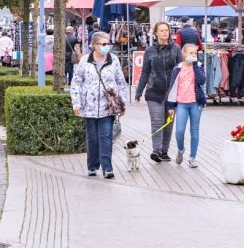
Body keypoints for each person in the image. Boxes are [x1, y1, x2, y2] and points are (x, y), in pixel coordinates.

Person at [71, 30, 128, 179]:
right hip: (88, 106)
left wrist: (123, 102)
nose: (106, 46)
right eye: (103, 44)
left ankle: (107, 168)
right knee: (92, 138)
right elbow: (76, 82)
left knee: (105, 136)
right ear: (94, 45)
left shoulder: (113, 59)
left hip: (107, 106)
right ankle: (92, 166)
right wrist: (76, 103)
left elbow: (121, 82)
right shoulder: (85, 60)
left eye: (108, 43)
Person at [134, 21, 181, 163]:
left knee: (168, 122)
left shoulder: (176, 49)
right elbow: (145, 72)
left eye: (167, 30)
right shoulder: (149, 51)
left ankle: (164, 151)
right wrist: (139, 91)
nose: (165, 32)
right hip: (154, 91)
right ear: (155, 33)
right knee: (157, 121)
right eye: (162, 30)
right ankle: (156, 150)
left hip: (172, 93)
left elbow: (181, 70)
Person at [166, 41, 206, 167]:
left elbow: (202, 80)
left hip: (195, 103)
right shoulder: (177, 68)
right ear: (183, 54)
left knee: (194, 130)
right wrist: (171, 106)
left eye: (195, 53)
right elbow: (172, 87)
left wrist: (194, 65)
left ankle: (192, 157)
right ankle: (180, 149)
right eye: (190, 53)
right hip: (181, 104)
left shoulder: (199, 66)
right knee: (179, 131)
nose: (193, 55)